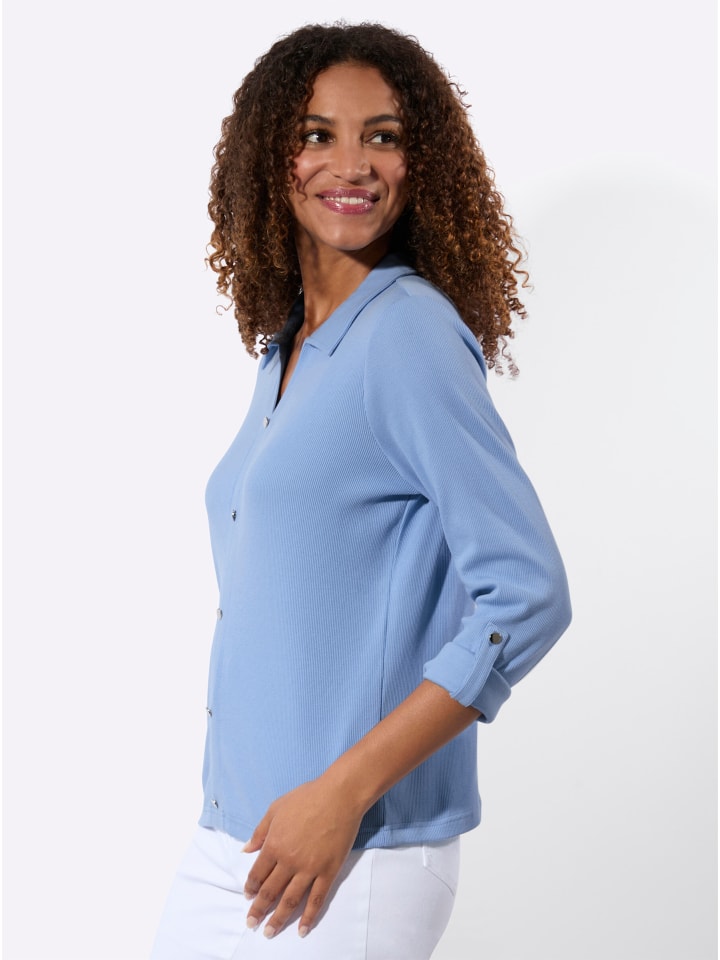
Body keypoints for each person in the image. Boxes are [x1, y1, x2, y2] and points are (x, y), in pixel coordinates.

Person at [151, 22, 571, 960]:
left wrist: (342, 793)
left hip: (350, 855)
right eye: (317, 135)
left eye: (383, 136)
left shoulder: (407, 334)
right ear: (271, 160)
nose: (352, 164)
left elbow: (528, 593)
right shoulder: (289, 348)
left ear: (423, 162)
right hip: (237, 836)